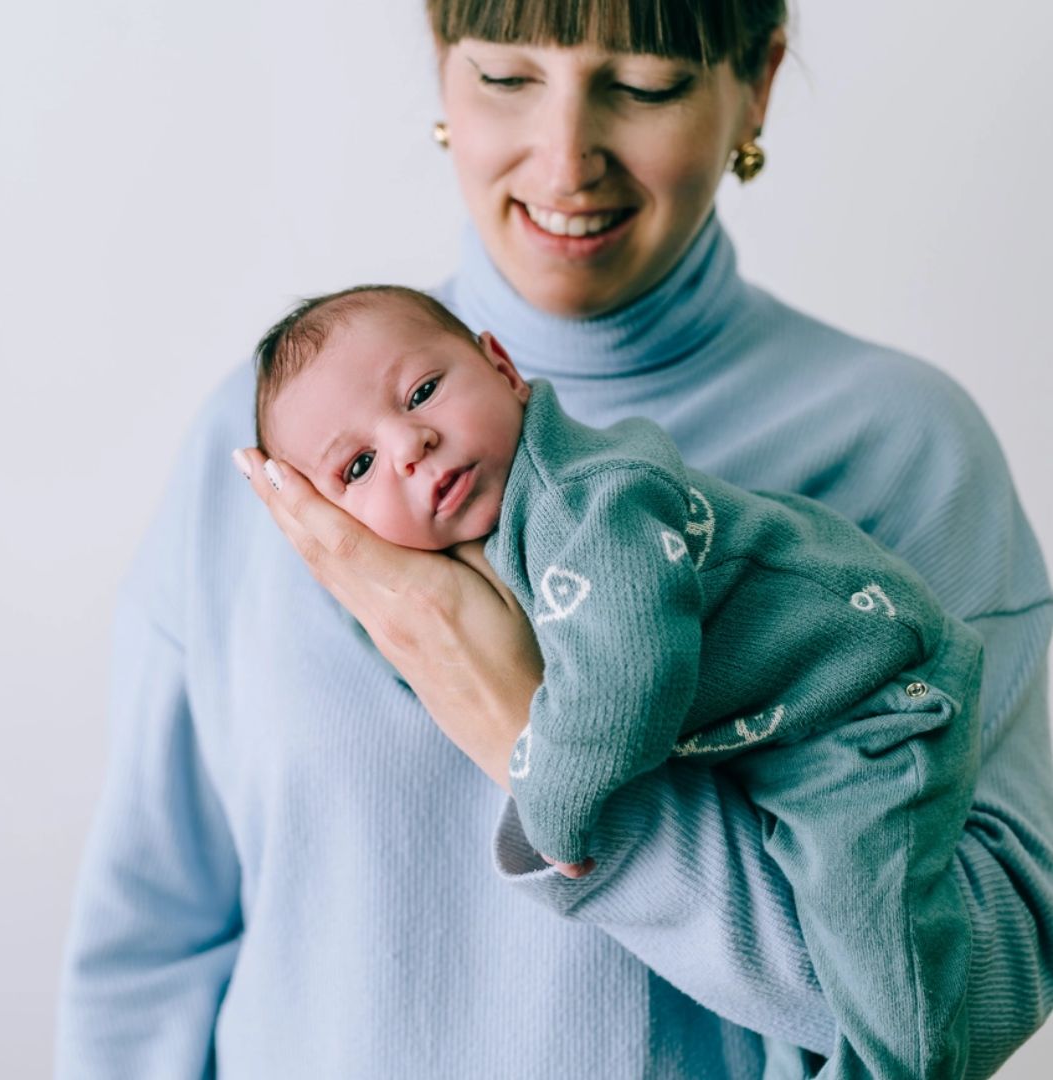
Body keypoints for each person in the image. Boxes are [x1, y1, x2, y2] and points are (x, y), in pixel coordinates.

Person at [57, 2, 1053, 1078]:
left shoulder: (902, 445)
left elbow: (961, 999)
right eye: (504, 76)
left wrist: (529, 740)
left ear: (754, 85)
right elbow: (149, 949)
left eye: (645, 83)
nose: (566, 158)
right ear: (443, 70)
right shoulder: (267, 449)